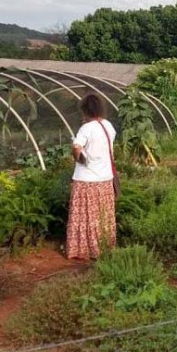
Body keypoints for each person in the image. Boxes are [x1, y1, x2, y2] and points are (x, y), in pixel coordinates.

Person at [66, 93, 117, 260]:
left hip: (87, 180)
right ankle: (103, 247)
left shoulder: (86, 128)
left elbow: (76, 147)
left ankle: (84, 249)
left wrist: (78, 157)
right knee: (102, 216)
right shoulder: (108, 125)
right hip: (105, 179)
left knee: (84, 216)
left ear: (85, 110)